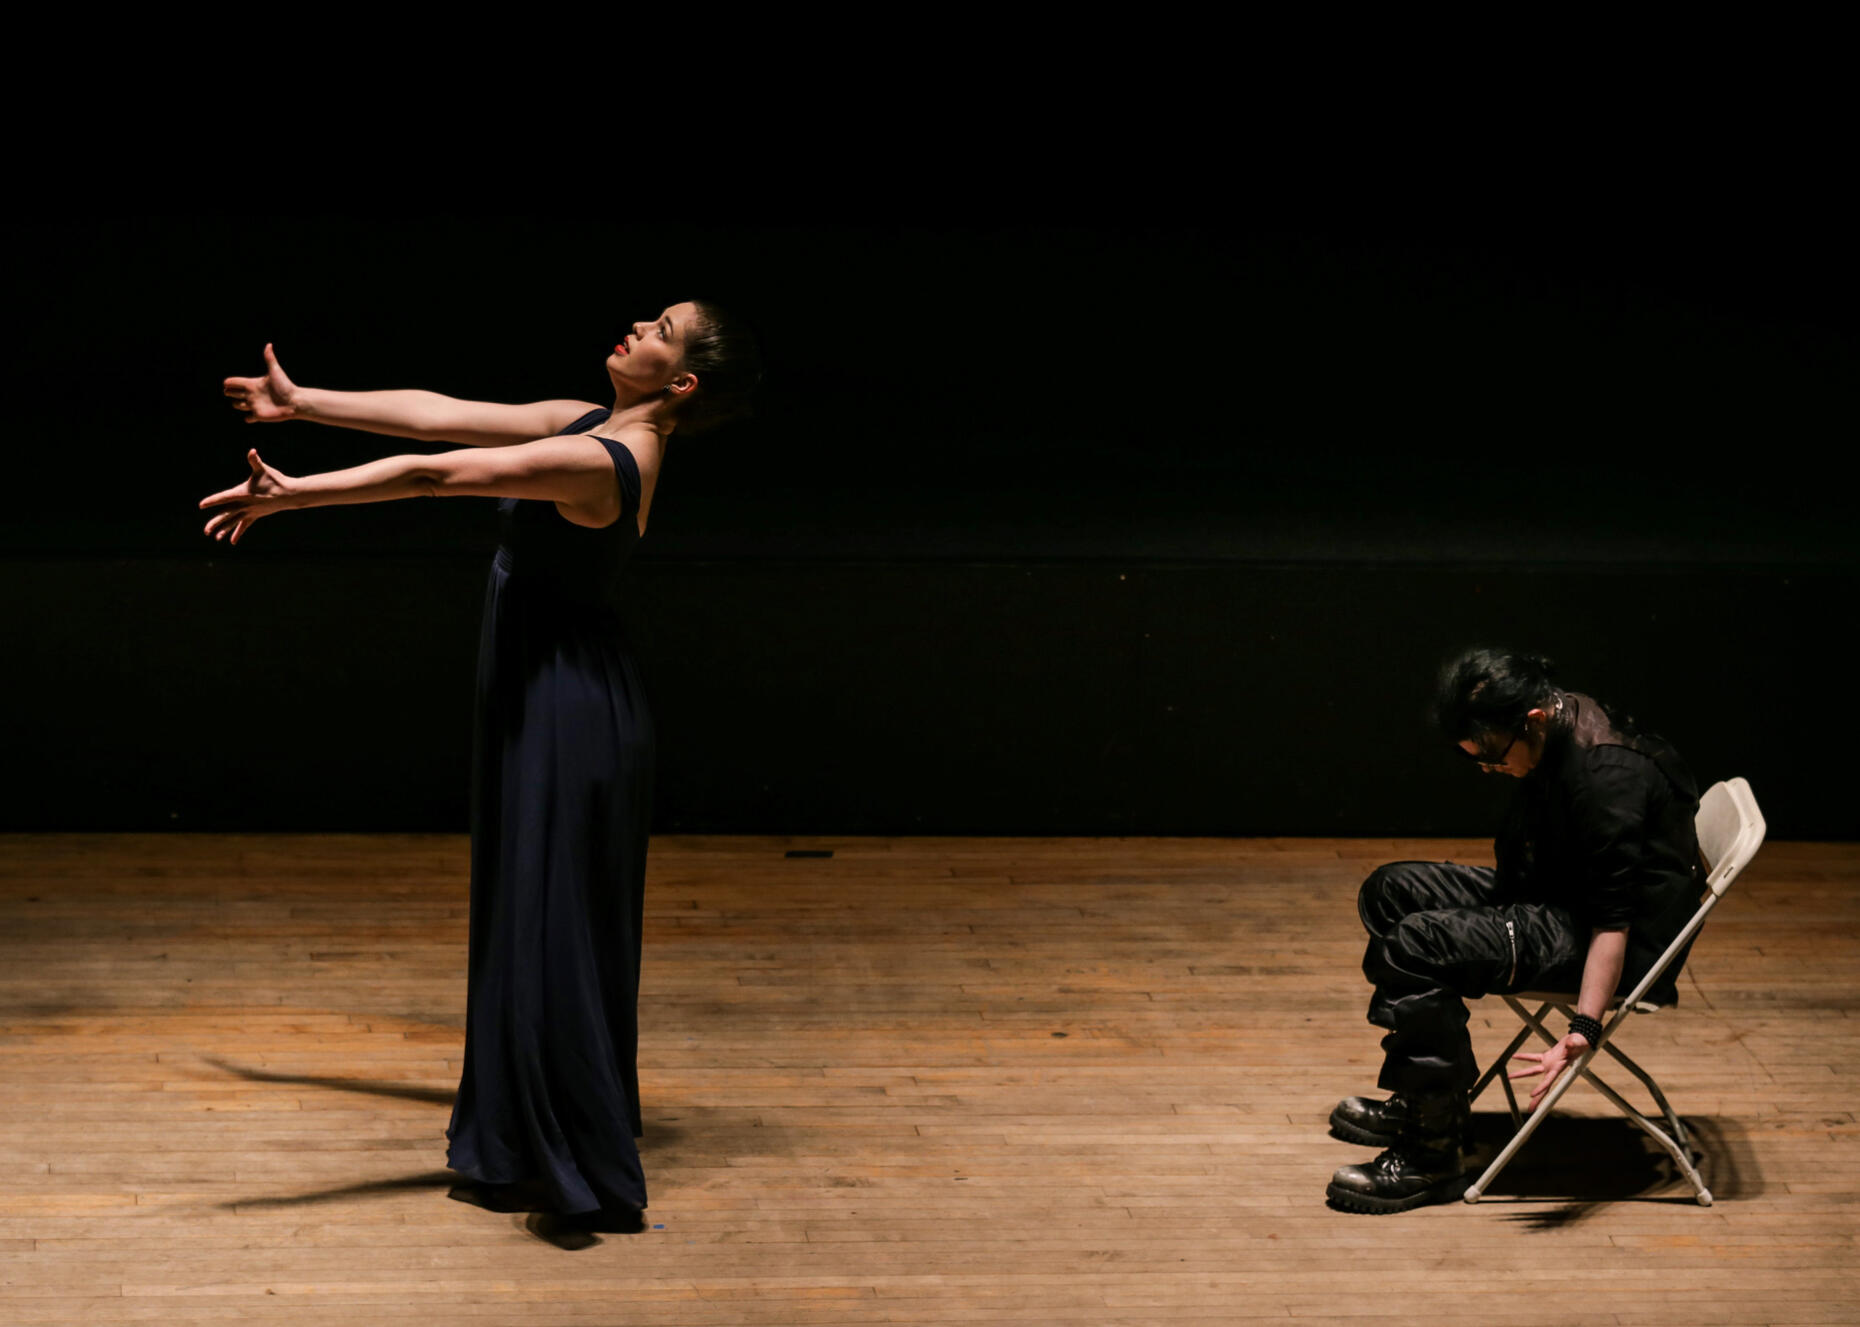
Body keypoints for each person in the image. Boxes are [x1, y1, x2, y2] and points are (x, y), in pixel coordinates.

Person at [207, 302, 761, 1234]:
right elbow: (437, 413)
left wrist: (296, 495)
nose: (636, 323)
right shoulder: (586, 421)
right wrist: (302, 403)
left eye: (661, 326)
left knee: (552, 921)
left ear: (682, 380)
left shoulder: (602, 461)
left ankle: (567, 1148)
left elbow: (437, 474)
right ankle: (521, 1132)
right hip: (545, 685)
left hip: (569, 706)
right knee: (525, 909)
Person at [1326, 647, 1705, 1213]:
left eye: (1494, 756)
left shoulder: (1608, 777)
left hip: (1610, 944)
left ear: (1533, 720)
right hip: (1559, 900)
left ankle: (1432, 1156)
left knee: (1419, 944)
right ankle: (1432, 1103)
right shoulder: (1557, 722)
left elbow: (1613, 921)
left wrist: (1584, 1026)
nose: (1490, 769)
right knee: (1391, 890)